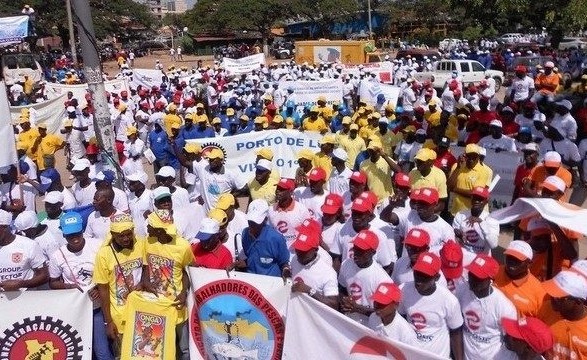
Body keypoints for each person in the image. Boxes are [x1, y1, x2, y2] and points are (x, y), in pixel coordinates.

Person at [48, 211, 113, 360]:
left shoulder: (97, 246)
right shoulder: (58, 256)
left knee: (102, 351)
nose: (75, 239)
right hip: (75, 310)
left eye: (77, 233)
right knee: (80, 351)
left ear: (82, 230)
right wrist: (68, 287)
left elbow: (109, 271)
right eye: (70, 235)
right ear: (64, 235)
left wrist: (99, 287)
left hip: (98, 308)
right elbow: (53, 282)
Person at [142, 210, 194, 360]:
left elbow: (188, 272)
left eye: (150, 225)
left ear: (159, 230)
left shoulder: (183, 246)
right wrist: (145, 281)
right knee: (162, 348)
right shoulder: (148, 242)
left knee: (184, 349)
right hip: (156, 306)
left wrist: (184, 292)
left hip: (177, 305)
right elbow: (146, 265)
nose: (147, 228)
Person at [398, 252, 464, 360]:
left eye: (425, 276)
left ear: (436, 277)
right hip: (410, 355)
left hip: (437, 356)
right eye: (417, 273)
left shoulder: (449, 301)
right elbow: (400, 321)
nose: (419, 280)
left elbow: (456, 333)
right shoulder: (403, 290)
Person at [93, 214, 144, 346]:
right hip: (119, 318)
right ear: (113, 234)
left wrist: (143, 282)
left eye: (128, 234)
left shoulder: (141, 244)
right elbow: (103, 290)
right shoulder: (103, 255)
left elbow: (148, 269)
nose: (126, 239)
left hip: (143, 312)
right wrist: (108, 322)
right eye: (121, 236)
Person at [456, 254, 518, 360]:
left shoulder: (505, 308)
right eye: (471, 274)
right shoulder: (461, 290)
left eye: (478, 277)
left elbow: (510, 342)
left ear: (491, 280)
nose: (472, 280)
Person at [338, 229, 392, 325]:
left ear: (373, 252)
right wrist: (344, 300)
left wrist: (357, 308)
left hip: (369, 328)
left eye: (361, 250)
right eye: (355, 248)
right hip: (349, 322)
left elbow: (384, 314)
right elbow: (341, 288)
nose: (356, 253)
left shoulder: (383, 280)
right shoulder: (346, 264)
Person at [229, 199, 291, 279]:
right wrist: (238, 264)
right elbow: (251, 259)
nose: (251, 225)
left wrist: (286, 271)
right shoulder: (245, 234)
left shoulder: (276, 239)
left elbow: (284, 263)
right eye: (250, 221)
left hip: (271, 284)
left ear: (265, 220)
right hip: (252, 283)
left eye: (255, 222)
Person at [494, 240, 547, 317]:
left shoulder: (539, 291)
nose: (512, 262)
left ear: (529, 263)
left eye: (518, 260)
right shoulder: (494, 271)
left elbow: (540, 322)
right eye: (510, 257)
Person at [541, 270, 587, 359]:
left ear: (578, 300)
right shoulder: (545, 309)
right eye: (552, 292)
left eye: (559, 296)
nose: (553, 298)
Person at [290, 228, 339, 309]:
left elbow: (334, 305)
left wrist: (309, 290)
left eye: (304, 251)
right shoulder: (295, 259)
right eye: (298, 249)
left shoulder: (328, 273)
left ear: (315, 250)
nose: (299, 254)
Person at [0, 209, 48, 291]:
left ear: (5, 227)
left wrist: (20, 284)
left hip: (25, 300)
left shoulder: (29, 245)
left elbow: (44, 275)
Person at [452, 186, 499, 257]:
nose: (477, 201)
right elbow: (453, 238)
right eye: (475, 198)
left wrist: (482, 223)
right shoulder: (460, 215)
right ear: (471, 199)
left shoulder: (492, 220)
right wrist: (458, 235)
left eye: (480, 199)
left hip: (482, 260)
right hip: (463, 256)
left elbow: (494, 245)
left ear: (486, 201)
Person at [368, 282, 419, 346]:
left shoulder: (406, 333)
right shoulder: (372, 318)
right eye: (376, 301)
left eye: (382, 303)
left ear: (396, 305)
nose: (377, 306)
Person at [447, 144, 491, 216]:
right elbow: (449, 186)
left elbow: (476, 194)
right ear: (464, 156)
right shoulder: (456, 166)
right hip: (455, 211)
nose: (471, 159)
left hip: (471, 213)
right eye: (469, 156)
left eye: (474, 157)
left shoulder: (484, 171)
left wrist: (455, 189)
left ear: (478, 157)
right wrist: (458, 167)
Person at [268, 178, 311, 249]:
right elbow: (269, 232)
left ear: (291, 191)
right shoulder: (271, 209)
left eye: (282, 189)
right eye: (277, 188)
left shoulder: (301, 210)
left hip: (296, 253)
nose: (278, 191)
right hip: (279, 253)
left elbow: (308, 232)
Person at [409, 148, 448, 213]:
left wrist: (427, 213)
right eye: (417, 160)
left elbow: (441, 204)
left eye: (422, 161)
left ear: (431, 162)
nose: (418, 163)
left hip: (431, 214)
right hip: (413, 211)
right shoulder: (412, 173)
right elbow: (409, 195)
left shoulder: (440, 175)